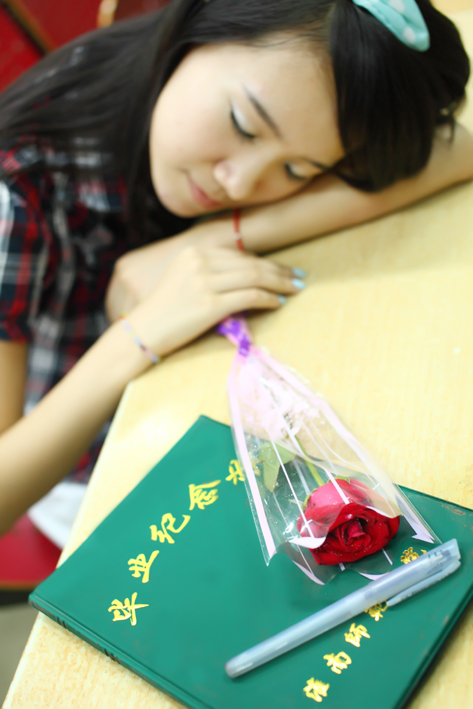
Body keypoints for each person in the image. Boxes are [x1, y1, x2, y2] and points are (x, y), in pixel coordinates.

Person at [0, 0, 472, 542]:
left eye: (295, 169)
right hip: (91, 465)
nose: (241, 183)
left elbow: (456, 149)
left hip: (198, 389)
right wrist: (137, 336)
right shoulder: (16, 191)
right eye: (244, 126)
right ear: (199, 26)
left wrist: (220, 235)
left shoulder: (263, 83)